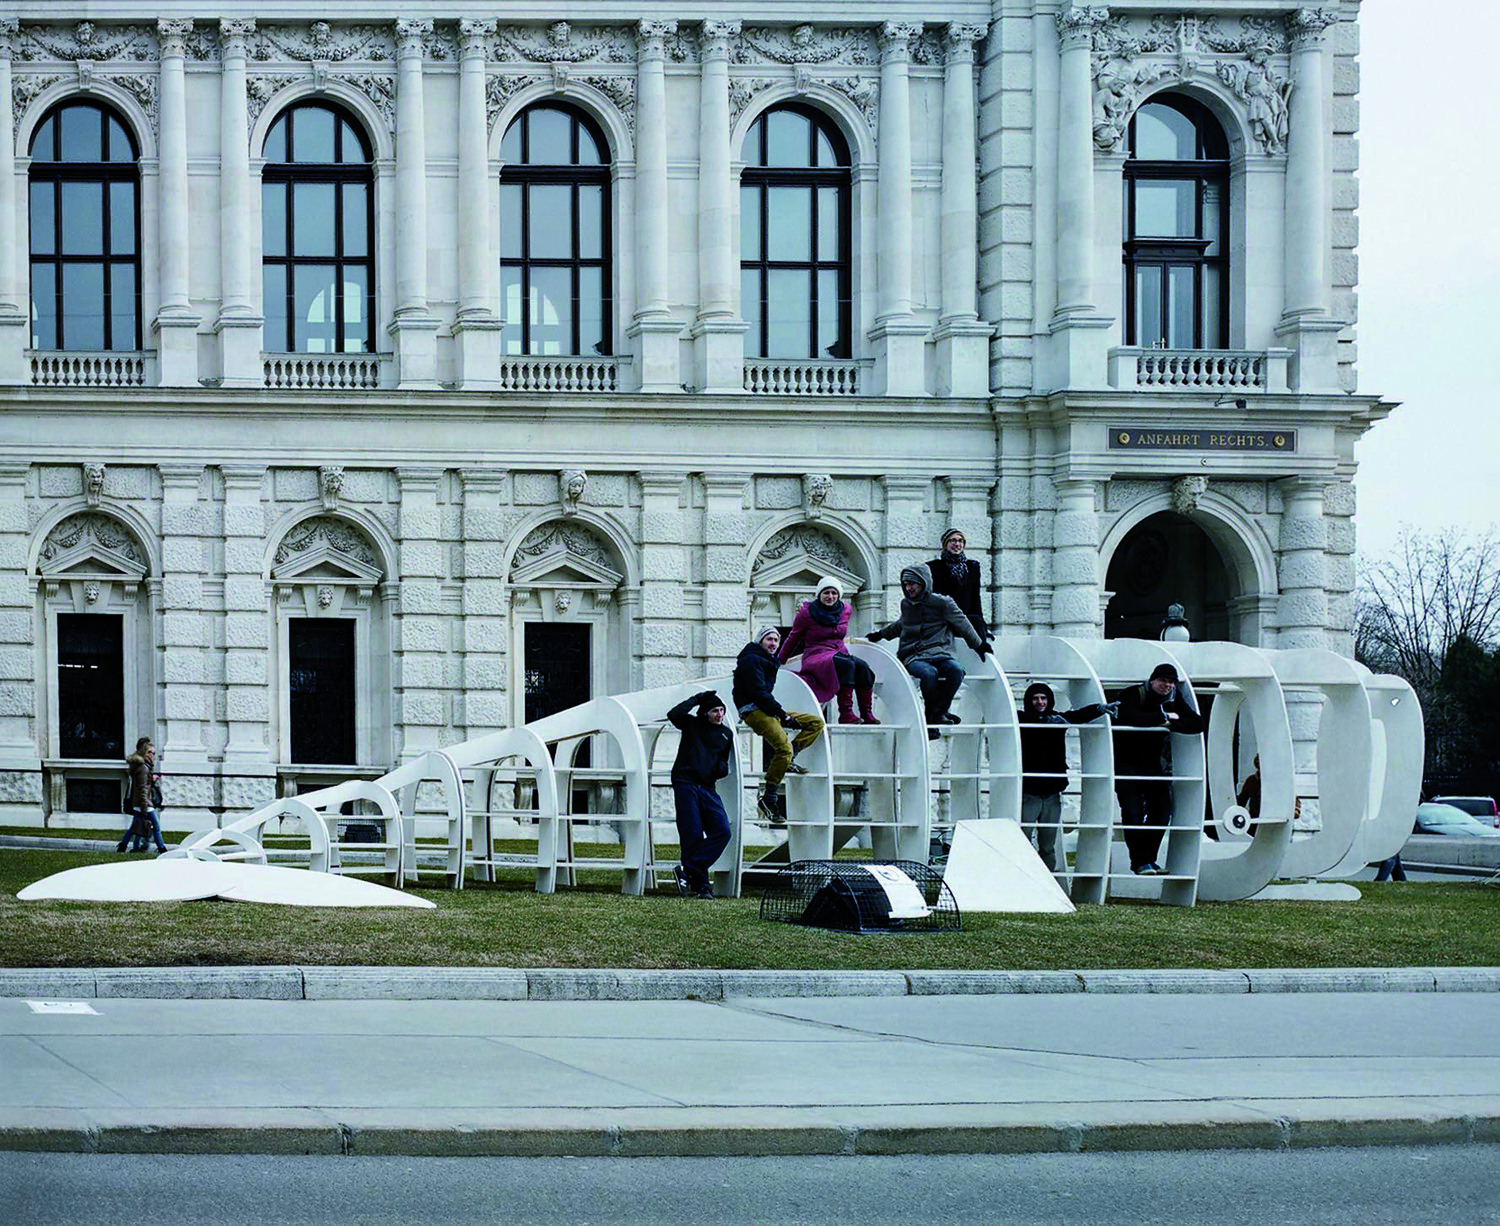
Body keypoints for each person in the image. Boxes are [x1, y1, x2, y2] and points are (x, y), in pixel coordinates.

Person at [867, 562, 987, 738]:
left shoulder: (943, 603)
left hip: (940, 652)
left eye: (912, 584)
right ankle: (935, 717)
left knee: (957, 670)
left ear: (924, 582)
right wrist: (880, 634)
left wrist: (979, 645)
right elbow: (901, 625)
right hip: (913, 656)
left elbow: (962, 623)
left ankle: (938, 713)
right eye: (905, 584)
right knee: (928, 673)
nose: (908, 588)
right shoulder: (906, 604)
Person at [1111, 664, 1204, 875]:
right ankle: (1140, 862)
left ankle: (1147, 860)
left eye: (1171, 682)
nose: (1167, 685)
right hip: (1126, 764)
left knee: (1162, 812)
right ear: (1152, 680)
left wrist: (1170, 722)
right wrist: (1163, 719)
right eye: (1163, 681)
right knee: (1133, 813)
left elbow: (1197, 723)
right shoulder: (1133, 693)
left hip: (1153, 765)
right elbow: (1127, 717)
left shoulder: (1174, 698)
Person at [1018, 683, 1117, 872]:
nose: (1040, 702)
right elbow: (1010, 717)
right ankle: (1023, 878)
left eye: (1044, 698)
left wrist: (1099, 709)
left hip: (1052, 793)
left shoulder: (1057, 720)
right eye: (1035, 698)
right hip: (1028, 793)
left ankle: (1047, 882)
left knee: (1048, 844)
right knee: (1022, 840)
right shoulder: (1022, 720)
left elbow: (1078, 715)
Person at [733, 626, 825, 826]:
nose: (773, 644)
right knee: (783, 748)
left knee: (815, 723)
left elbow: (764, 694)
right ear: (760, 641)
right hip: (753, 710)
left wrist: (780, 712)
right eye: (769, 639)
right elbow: (758, 692)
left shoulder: (768, 660)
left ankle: (791, 758)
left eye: (776, 640)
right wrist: (782, 714)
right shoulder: (751, 659)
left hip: (766, 707)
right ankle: (769, 798)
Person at [778, 576, 879, 726]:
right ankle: (845, 713)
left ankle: (867, 713)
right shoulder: (807, 613)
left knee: (863, 667)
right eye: (826, 593)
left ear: (839, 595)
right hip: (816, 655)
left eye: (834, 593)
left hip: (839, 651)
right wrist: (779, 660)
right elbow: (793, 637)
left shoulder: (846, 609)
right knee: (846, 665)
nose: (830, 597)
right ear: (819, 594)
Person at [665, 690, 734, 900]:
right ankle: (702, 887)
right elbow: (674, 714)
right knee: (692, 834)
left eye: (722, 710)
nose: (719, 714)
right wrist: (695, 699)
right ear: (705, 713)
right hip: (685, 782)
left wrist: (721, 768)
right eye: (715, 710)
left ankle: (688, 871)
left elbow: (723, 759)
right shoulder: (692, 724)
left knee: (723, 831)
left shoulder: (726, 734)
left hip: (708, 787)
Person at [927, 528, 989, 648]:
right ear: (945, 544)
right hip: (946, 618)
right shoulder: (935, 567)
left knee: (976, 621)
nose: (957, 544)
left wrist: (982, 625)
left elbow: (975, 597)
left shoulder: (972, 567)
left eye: (960, 541)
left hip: (967, 617)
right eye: (953, 541)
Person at [118, 736, 166, 855]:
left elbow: (143, 785)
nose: (152, 755)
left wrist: (152, 779)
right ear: (144, 752)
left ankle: (123, 846)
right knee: (156, 827)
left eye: (154, 753)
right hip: (144, 803)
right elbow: (142, 789)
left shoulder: (143, 766)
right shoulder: (143, 768)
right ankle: (162, 849)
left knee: (135, 827)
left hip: (140, 803)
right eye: (149, 752)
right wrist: (145, 808)